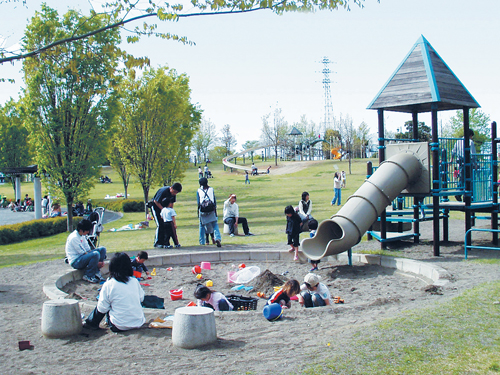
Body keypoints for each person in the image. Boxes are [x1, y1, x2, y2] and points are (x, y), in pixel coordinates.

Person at [83, 252, 145, 332]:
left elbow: (102, 308)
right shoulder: (134, 281)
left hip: (119, 325)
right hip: (138, 322)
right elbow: (141, 298)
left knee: (104, 303)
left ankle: (91, 323)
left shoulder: (109, 284)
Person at [65, 219, 107, 283]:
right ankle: (88, 275)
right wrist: (96, 261)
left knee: (102, 249)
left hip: (82, 257)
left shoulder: (82, 235)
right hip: (76, 261)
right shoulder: (74, 238)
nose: (88, 232)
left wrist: (98, 261)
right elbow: (82, 252)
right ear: (81, 230)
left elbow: (88, 249)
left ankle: (96, 272)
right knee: (96, 254)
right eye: (87, 231)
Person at [150, 182, 182, 248]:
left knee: (165, 226)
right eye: (174, 191)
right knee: (160, 224)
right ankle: (157, 242)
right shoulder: (163, 191)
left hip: (165, 209)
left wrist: (170, 211)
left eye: (176, 193)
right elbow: (156, 201)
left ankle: (164, 242)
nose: (174, 194)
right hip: (156, 207)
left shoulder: (173, 194)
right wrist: (164, 210)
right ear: (171, 188)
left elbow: (172, 203)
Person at [451, 129, 476, 202]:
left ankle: (460, 193)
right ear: (470, 135)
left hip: (460, 161)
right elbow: (473, 154)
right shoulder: (470, 142)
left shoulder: (458, 141)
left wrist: (451, 159)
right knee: (469, 179)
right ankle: (466, 195)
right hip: (468, 161)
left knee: (462, 178)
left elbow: (454, 151)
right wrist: (475, 163)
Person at [197, 177, 221, 247]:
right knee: (215, 224)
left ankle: (202, 241)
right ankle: (218, 238)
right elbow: (214, 201)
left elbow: (199, 203)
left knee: (201, 225)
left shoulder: (199, 190)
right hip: (211, 209)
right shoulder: (211, 189)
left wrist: (198, 212)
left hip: (203, 210)